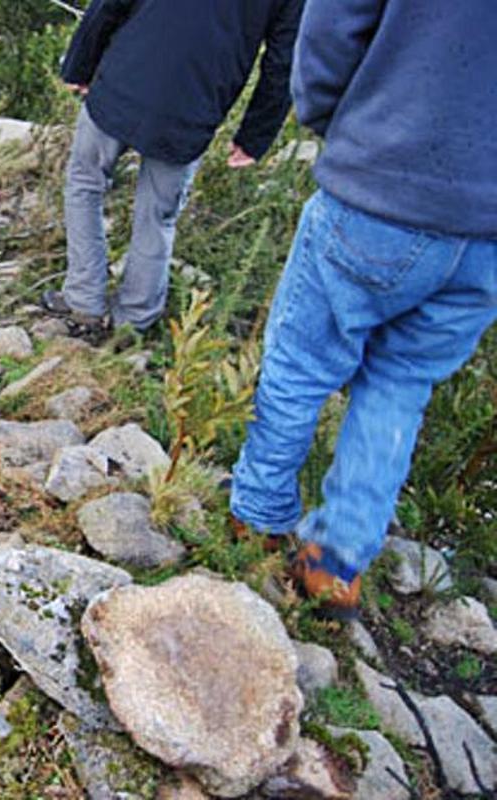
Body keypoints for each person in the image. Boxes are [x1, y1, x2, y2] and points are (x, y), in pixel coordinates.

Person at [231, 0, 497, 618]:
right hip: (486, 234)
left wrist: (342, 126)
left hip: (381, 183)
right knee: (401, 385)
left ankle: (258, 515)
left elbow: (329, 32)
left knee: (301, 363)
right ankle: (336, 563)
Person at [44, 0, 303, 334]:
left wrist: (80, 64)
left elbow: (110, 4)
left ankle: (83, 301)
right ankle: (132, 323)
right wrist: (255, 135)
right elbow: (285, 59)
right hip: (195, 106)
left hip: (126, 79)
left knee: (85, 183)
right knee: (158, 215)